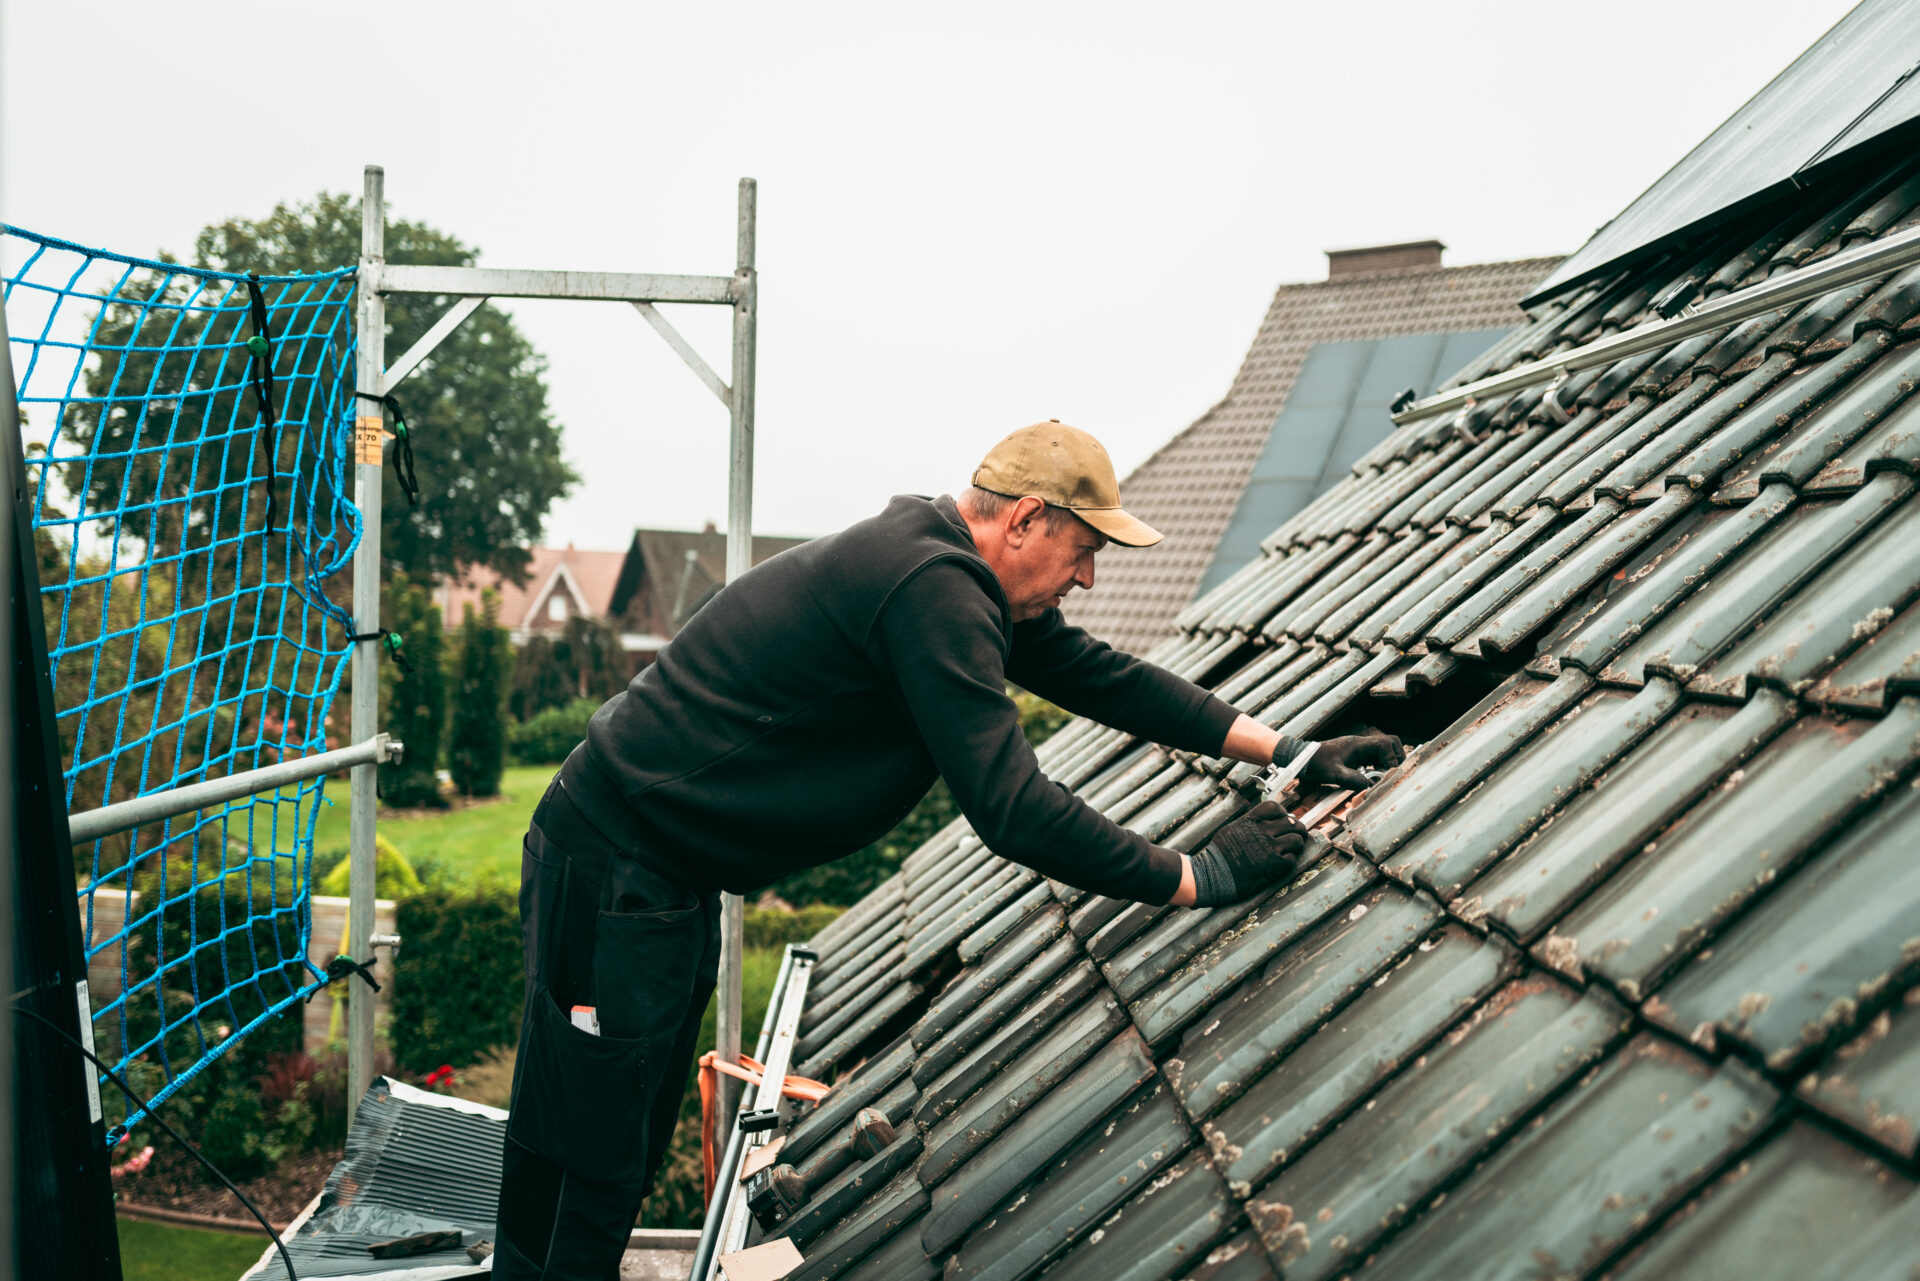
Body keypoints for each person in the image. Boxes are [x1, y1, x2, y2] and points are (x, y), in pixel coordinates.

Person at [493, 421, 1403, 1279]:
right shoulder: (932, 588)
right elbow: (1012, 806)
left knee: (617, 1127)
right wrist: (1196, 876)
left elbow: (1108, 679)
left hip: (658, 870)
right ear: (1025, 519)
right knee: (589, 1151)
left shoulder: (945, 568)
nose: (1088, 577)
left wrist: (1290, 749)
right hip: (615, 863)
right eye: (1083, 549)